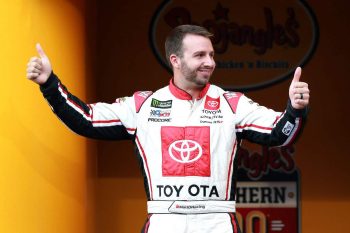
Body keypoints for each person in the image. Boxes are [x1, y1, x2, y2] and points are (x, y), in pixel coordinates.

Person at [26, 25, 309, 233]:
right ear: (175, 60)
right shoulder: (143, 105)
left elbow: (281, 134)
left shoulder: (231, 103)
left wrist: (295, 108)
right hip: (164, 221)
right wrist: (50, 84)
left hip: (217, 223)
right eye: (200, 55)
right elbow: (85, 119)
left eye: (211, 54)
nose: (210, 62)